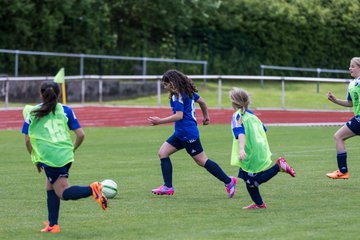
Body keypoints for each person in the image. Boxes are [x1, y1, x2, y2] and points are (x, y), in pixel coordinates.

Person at [22, 82, 108, 233]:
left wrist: (36, 159)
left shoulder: (33, 112)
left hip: (51, 158)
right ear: (59, 94)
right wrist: (72, 149)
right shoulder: (66, 110)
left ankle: (92, 189)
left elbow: (28, 140)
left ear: (41, 94)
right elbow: (81, 134)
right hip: (66, 155)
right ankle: (53, 225)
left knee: (62, 192)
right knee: (50, 187)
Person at [148, 69, 237, 197]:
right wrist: (206, 116)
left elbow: (179, 116)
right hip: (180, 133)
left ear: (173, 83)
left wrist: (159, 121)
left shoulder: (177, 96)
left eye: (166, 84)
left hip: (188, 134)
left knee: (202, 161)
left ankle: (229, 181)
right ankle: (168, 187)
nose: (165, 86)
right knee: (163, 153)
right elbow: (202, 102)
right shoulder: (187, 92)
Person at [229, 87, 296, 209]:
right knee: (247, 178)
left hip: (250, 152)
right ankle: (259, 204)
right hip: (258, 148)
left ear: (234, 103)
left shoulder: (237, 116)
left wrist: (241, 149)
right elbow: (263, 129)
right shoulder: (251, 115)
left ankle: (278, 167)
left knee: (253, 181)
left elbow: (241, 133)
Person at [326, 57, 360, 179]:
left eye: (353, 66)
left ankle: (343, 171)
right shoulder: (351, 85)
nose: (350, 68)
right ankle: (343, 171)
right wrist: (335, 100)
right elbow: (350, 103)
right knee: (339, 136)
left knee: (338, 136)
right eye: (350, 66)